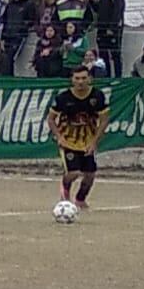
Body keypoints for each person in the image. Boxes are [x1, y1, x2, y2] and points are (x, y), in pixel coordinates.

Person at [46, 66, 110, 210]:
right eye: (77, 78)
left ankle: (80, 199)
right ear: (72, 80)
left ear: (89, 79)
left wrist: (94, 141)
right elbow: (50, 119)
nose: (80, 82)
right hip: (68, 141)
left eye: (83, 78)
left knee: (90, 175)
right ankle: (65, 188)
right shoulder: (63, 98)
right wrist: (59, 137)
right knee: (73, 172)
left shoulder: (97, 96)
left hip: (87, 141)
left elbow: (105, 119)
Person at [91, 0, 126, 78]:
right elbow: (96, 10)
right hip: (101, 28)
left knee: (115, 54)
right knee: (102, 54)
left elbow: (118, 9)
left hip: (114, 29)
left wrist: (112, 27)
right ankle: (106, 76)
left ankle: (118, 77)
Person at [0, 0, 38, 75]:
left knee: (11, 56)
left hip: (19, 35)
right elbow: (4, 20)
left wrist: (23, 27)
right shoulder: (10, 5)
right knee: (5, 57)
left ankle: (9, 77)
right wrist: (2, 36)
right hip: (8, 34)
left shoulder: (28, 4)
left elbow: (32, 19)